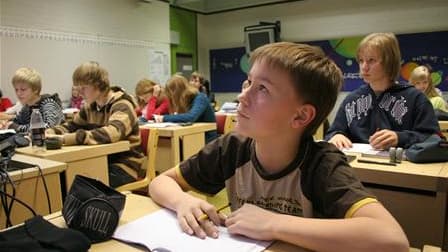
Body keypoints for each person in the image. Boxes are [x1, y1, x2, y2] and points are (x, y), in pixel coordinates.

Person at [148, 42, 409, 252]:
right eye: (248, 82)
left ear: (300, 117)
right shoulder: (232, 148)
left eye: (262, 89)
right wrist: (182, 202)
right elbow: (160, 183)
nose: (242, 96)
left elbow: (391, 238)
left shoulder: (322, 164)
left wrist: (273, 223)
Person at [325, 32, 439, 150]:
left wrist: (400, 138)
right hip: (356, 164)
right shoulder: (352, 99)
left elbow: (433, 138)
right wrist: (336, 135)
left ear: (389, 62)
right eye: (361, 60)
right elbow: (333, 132)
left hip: (400, 165)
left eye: (371, 60)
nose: (364, 67)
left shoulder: (416, 98)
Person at [45, 61, 144, 188]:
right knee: (62, 181)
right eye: (77, 89)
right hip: (99, 160)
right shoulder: (90, 107)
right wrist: (52, 132)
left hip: (124, 166)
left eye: (83, 88)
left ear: (98, 85)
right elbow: (72, 125)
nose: (80, 93)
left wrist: (66, 139)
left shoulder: (122, 104)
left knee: (82, 188)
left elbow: (112, 133)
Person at [153, 75, 218, 142]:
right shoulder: (184, 101)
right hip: (191, 136)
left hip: (206, 140)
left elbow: (190, 117)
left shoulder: (200, 98)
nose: (171, 98)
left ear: (177, 92)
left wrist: (163, 118)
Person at [1, 67, 63, 133]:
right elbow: (17, 121)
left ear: (35, 89)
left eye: (23, 89)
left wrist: (16, 127)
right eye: (16, 89)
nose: (18, 93)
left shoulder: (48, 104)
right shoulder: (27, 107)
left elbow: (49, 128)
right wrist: (5, 123)